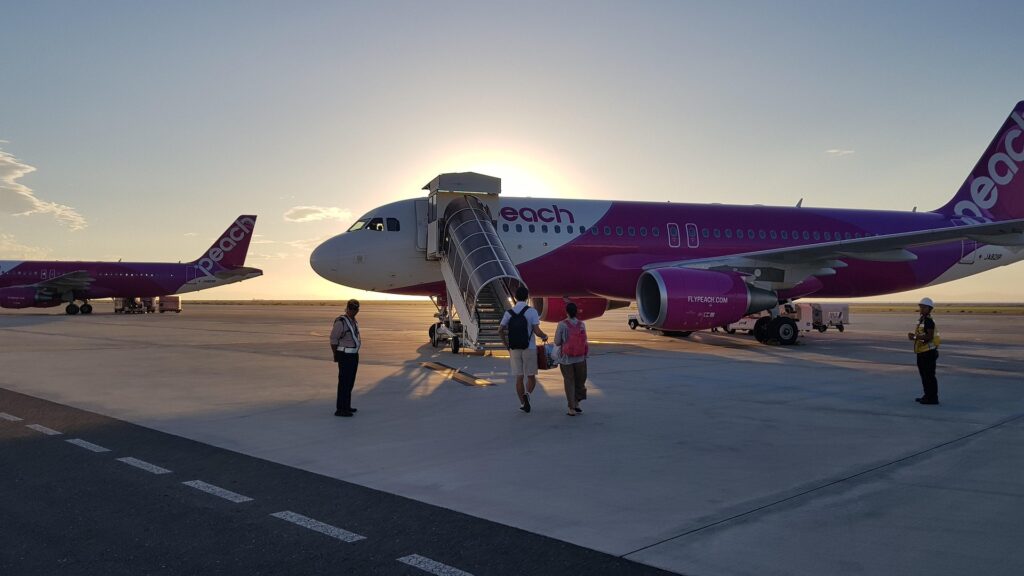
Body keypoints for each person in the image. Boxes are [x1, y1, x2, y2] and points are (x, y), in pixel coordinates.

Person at [498, 286, 548, 413]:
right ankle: (528, 395)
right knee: (531, 377)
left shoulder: (508, 313)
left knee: (519, 377)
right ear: (527, 298)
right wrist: (544, 336)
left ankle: (522, 403)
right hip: (529, 348)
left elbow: (500, 330)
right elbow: (536, 331)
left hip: (514, 348)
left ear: (515, 298)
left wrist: (506, 345)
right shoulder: (532, 312)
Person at [555, 302, 588, 416]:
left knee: (569, 382)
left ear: (566, 312)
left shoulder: (562, 324)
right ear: (576, 311)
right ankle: (577, 403)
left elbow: (557, 341)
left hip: (566, 359)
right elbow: (585, 341)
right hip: (580, 358)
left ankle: (571, 408)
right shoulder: (582, 324)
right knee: (580, 382)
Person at [330, 299, 362, 416]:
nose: (354, 311)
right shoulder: (341, 322)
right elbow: (333, 339)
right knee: (344, 382)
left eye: (356, 309)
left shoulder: (353, 321)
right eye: (352, 308)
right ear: (347, 308)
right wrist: (335, 354)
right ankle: (340, 409)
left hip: (353, 355)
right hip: (344, 355)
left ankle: (346, 406)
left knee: (350, 382)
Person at [907, 297, 940, 405]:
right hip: (922, 352)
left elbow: (929, 336)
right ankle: (927, 396)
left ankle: (932, 398)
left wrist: (915, 337)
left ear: (929, 308)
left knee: (929, 376)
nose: (921, 309)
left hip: (928, 353)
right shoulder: (922, 319)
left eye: (923, 307)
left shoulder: (928, 320)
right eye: (920, 307)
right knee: (924, 376)